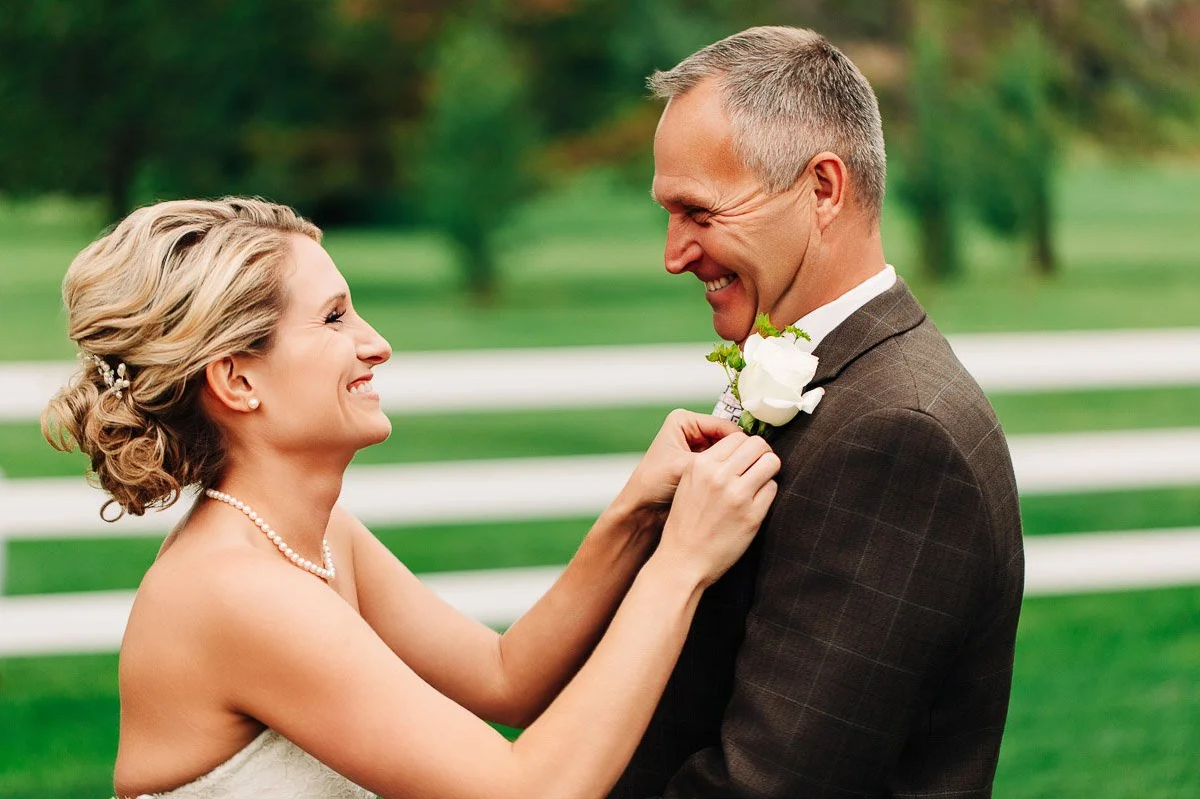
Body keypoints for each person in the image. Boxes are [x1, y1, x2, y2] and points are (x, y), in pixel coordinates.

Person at [42, 197, 783, 798]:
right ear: (237, 380)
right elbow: (529, 791)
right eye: (334, 318)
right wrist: (680, 566)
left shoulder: (317, 533)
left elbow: (505, 679)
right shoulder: (236, 592)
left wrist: (636, 514)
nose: (377, 343)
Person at [612, 26, 1024, 798]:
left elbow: (770, 783)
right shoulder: (844, 381)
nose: (673, 254)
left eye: (698, 212)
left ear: (823, 189)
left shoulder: (899, 436)